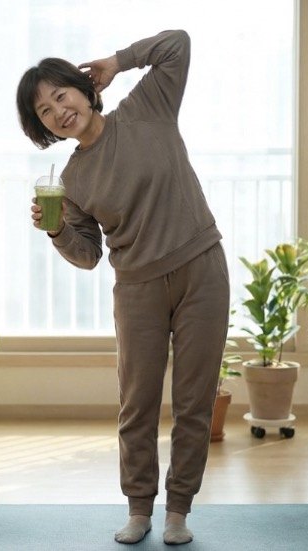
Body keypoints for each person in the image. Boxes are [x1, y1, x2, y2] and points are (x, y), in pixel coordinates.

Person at [16, 30, 230, 546]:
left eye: (61, 95)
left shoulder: (148, 106)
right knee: (137, 404)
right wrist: (57, 231)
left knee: (194, 402)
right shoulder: (72, 181)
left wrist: (119, 60)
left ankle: (179, 510)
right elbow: (87, 256)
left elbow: (177, 44)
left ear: (84, 89)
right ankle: (140, 509)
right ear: (45, 129)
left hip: (202, 267)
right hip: (137, 289)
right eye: (45, 112)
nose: (59, 111)